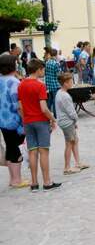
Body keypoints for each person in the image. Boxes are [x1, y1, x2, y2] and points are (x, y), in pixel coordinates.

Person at [18, 59, 61, 192]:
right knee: (44, 151)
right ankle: (47, 182)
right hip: (40, 121)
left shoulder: (21, 85)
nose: (43, 72)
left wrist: (25, 119)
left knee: (32, 151)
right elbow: (43, 108)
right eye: (43, 69)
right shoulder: (40, 85)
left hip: (28, 121)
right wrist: (53, 119)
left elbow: (20, 107)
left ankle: (34, 183)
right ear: (38, 70)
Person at [0, 54, 29, 188]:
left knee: (10, 148)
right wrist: (25, 120)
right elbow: (19, 106)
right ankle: (17, 180)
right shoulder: (15, 82)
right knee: (17, 150)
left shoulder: (0, 80)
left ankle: (13, 179)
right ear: (13, 65)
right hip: (15, 122)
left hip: (3, 120)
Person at [55, 73, 88, 175]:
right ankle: (67, 167)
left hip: (66, 121)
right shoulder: (65, 96)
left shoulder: (59, 93)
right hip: (67, 121)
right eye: (70, 81)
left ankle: (78, 162)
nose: (72, 83)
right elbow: (71, 112)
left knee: (74, 141)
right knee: (69, 143)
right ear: (65, 83)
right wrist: (75, 120)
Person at [44, 48, 61, 117]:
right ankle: (56, 114)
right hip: (55, 84)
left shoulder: (47, 62)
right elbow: (58, 75)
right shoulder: (56, 63)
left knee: (50, 100)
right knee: (55, 100)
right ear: (56, 54)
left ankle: (46, 113)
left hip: (49, 84)